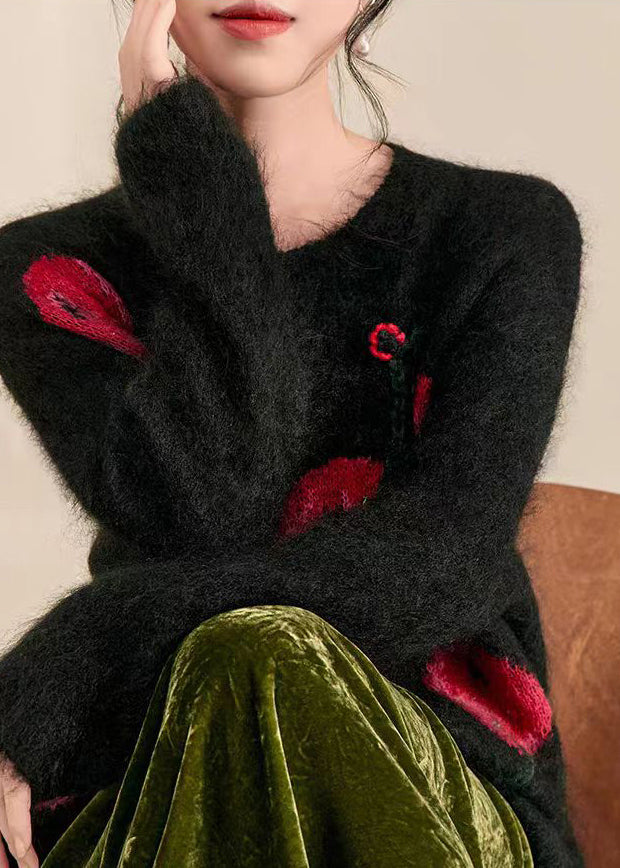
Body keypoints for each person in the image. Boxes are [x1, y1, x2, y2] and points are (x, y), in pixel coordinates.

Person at [0, 0, 585, 865]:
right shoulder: (55, 271)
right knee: (242, 664)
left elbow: (443, 557)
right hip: (153, 771)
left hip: (432, 784)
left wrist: (72, 659)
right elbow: (204, 508)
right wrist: (197, 187)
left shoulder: (502, 231)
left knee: (258, 653)